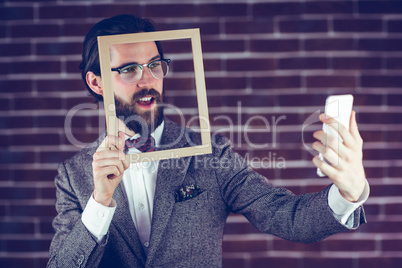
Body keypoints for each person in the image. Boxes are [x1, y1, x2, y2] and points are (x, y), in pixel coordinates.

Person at [47, 14, 369, 268]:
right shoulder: (73, 175)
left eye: (155, 65)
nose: (148, 80)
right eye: (129, 70)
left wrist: (349, 193)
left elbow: (287, 216)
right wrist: (100, 201)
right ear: (96, 82)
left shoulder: (211, 153)